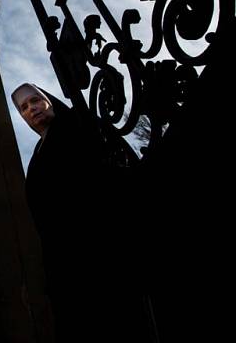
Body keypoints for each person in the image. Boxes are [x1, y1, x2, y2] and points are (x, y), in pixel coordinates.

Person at [11, 83, 150, 343]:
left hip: (101, 251)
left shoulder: (76, 126)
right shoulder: (35, 160)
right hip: (64, 267)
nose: (32, 109)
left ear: (49, 101)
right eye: (24, 108)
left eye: (35, 101)